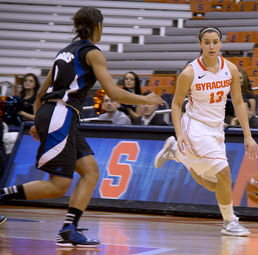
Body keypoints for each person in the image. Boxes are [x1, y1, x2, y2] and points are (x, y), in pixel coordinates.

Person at [0, 6, 163, 248]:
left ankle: (69, 228)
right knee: (59, 185)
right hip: (60, 114)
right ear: (98, 26)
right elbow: (113, 92)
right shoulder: (93, 52)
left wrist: (37, 120)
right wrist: (145, 99)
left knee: (90, 171)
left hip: (56, 114)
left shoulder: (64, 52)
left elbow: (42, 91)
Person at [155, 25, 258, 236]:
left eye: (215, 42)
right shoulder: (190, 72)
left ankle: (175, 153)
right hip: (195, 127)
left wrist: (248, 135)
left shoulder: (230, 69)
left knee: (212, 184)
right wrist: (179, 133)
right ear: (200, 44)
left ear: (221, 43)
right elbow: (175, 105)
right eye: (207, 42)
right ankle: (230, 222)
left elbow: (238, 102)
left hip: (216, 129)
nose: (211, 46)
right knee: (224, 174)